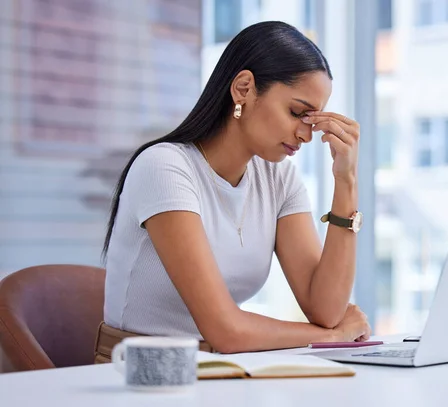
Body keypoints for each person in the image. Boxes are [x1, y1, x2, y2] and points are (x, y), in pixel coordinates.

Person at [100, 21, 371, 355]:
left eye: (313, 120)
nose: (306, 134)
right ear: (243, 88)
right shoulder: (164, 168)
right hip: (142, 375)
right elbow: (227, 332)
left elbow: (326, 310)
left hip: (220, 370)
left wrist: (346, 181)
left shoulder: (278, 179)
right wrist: (331, 336)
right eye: (297, 112)